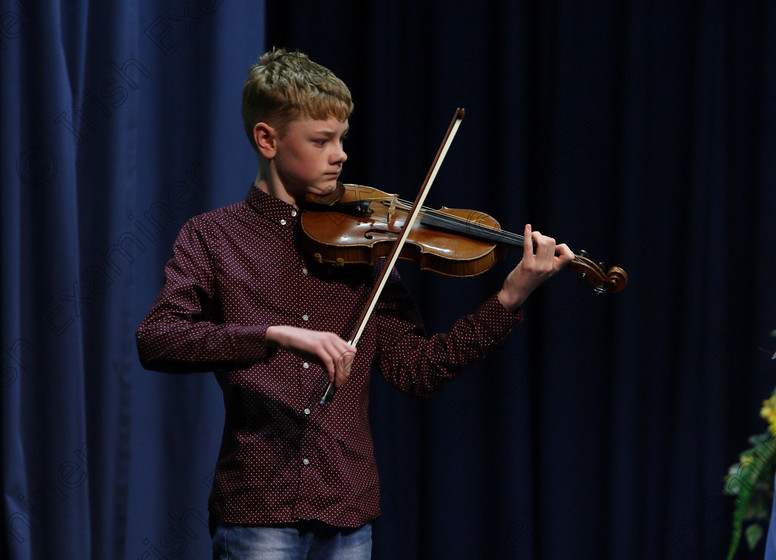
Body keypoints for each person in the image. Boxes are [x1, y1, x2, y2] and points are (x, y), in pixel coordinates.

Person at [135, 48, 574, 560]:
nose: (340, 154)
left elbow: (419, 371)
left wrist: (509, 296)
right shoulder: (214, 237)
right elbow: (158, 339)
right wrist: (273, 334)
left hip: (347, 508)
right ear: (267, 139)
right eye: (321, 140)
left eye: (341, 138)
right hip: (257, 506)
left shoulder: (365, 249)